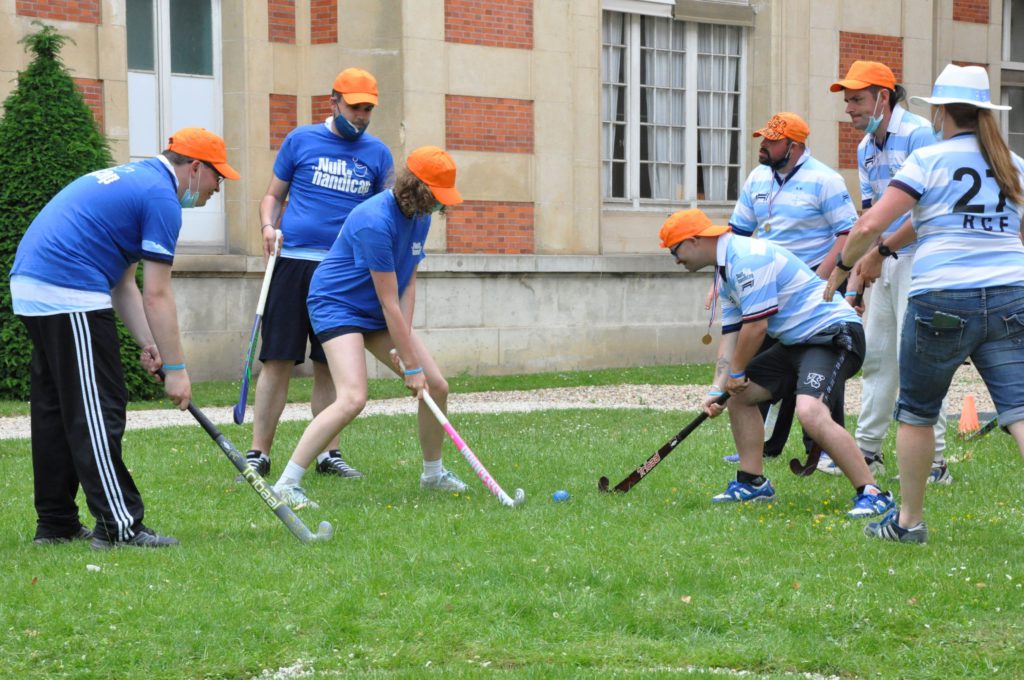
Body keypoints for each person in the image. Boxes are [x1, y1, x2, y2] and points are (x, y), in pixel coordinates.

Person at [10, 127, 240, 549]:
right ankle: (120, 526)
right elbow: (158, 294)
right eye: (218, 177)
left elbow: (124, 284)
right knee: (99, 409)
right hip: (68, 288)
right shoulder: (161, 198)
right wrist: (177, 370)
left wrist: (149, 344)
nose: (217, 188)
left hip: (34, 287)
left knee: (58, 409)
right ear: (194, 167)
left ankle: (57, 523)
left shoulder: (139, 180)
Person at [825, 65, 1024, 543]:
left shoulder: (928, 159)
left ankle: (909, 521)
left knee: (916, 411)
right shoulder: (1013, 162)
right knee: (1019, 410)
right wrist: (884, 252)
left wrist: (842, 268)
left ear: (939, 111)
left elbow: (869, 223)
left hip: (941, 296)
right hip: (1010, 293)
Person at [270, 146, 468, 509]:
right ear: (419, 189)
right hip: (337, 304)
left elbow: (407, 284)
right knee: (353, 397)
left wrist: (405, 349)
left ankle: (433, 474)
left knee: (437, 386)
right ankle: (287, 483)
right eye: (438, 196)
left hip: (377, 309)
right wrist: (409, 365)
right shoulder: (375, 220)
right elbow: (388, 299)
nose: (442, 205)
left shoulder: (420, 217)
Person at [662, 209, 894, 519]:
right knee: (740, 396)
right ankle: (752, 482)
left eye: (675, 251)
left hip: (832, 335)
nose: (676, 260)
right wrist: (718, 388)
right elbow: (731, 335)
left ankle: (872, 493)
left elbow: (757, 327)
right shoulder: (725, 272)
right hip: (796, 342)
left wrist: (737, 373)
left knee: (809, 412)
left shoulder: (747, 259)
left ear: (693, 241)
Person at [245, 67, 394, 481]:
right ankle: (259, 453)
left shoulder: (378, 154)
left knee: (329, 364)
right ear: (334, 102)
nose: (361, 115)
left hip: (343, 271)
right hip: (293, 262)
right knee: (277, 359)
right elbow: (272, 196)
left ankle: (329, 454)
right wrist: (268, 226)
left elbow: (384, 214)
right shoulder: (300, 140)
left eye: (368, 109)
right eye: (355, 107)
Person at [820, 61, 951, 482]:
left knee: (917, 359)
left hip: (922, 259)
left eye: (857, 99)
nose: (850, 109)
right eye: (847, 101)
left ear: (883, 96)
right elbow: (870, 214)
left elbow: (930, 210)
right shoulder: (865, 148)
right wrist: (859, 274)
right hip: (884, 258)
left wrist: (874, 254)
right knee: (877, 356)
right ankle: (868, 450)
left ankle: (936, 462)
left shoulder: (919, 134)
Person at [722, 112, 858, 463]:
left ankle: (823, 449)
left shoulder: (825, 180)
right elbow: (737, 233)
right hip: (768, 284)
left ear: (794, 146)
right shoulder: (757, 178)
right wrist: (719, 280)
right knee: (761, 361)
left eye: (772, 141)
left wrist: (822, 281)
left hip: (816, 283)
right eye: (763, 139)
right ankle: (759, 443)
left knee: (819, 364)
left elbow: (848, 233)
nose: (763, 146)